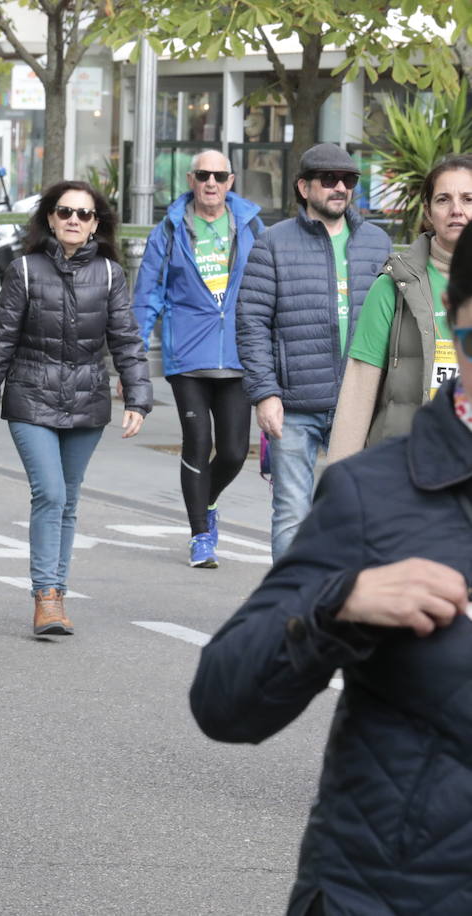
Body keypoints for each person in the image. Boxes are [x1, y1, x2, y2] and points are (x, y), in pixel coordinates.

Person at [190, 222, 472, 916]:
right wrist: (334, 605)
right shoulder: (374, 496)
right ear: (454, 340)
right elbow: (222, 701)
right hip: (389, 894)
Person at [0, 180, 152, 635]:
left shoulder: (110, 274)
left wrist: (138, 397)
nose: (74, 220)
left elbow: (126, 340)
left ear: (96, 225)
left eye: (84, 214)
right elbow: (0, 342)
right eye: (65, 211)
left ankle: (58, 593)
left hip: (87, 400)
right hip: (31, 397)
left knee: (68, 500)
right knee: (49, 493)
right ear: (50, 218)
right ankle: (45, 596)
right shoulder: (25, 270)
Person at [237, 143, 392, 560]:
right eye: (329, 179)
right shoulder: (272, 243)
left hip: (359, 405)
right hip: (295, 406)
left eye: (349, 180)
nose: (340, 187)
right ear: (304, 187)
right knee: (292, 512)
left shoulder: (377, 242)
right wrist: (265, 394)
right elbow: (251, 322)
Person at [132, 150, 264, 568]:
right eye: (203, 175)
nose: (211, 182)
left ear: (231, 180)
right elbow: (148, 293)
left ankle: (204, 502)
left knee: (233, 452)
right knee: (199, 442)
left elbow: (267, 287)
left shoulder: (252, 225)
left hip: (239, 355)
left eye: (219, 175)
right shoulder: (169, 229)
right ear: (191, 179)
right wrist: (133, 356)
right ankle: (200, 535)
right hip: (188, 355)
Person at [330, 156, 472, 461]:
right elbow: (357, 390)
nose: (456, 210)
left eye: (468, 199)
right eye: (443, 199)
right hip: (405, 468)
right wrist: (338, 490)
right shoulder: (393, 286)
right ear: (428, 212)